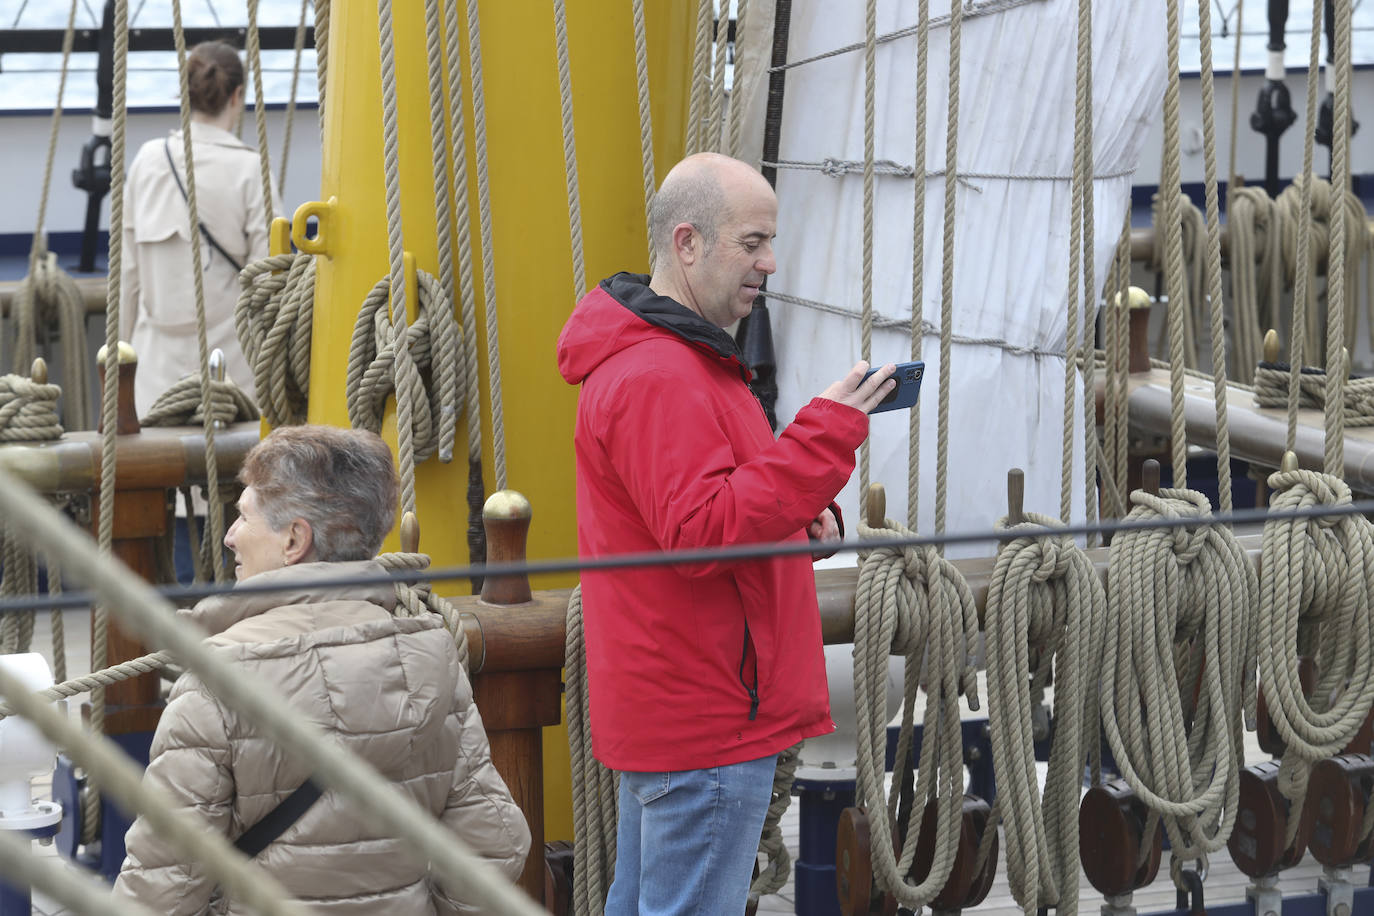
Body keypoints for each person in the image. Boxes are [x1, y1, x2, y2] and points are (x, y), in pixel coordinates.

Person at [555, 152, 896, 914]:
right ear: (687, 244)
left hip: (682, 704)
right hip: (705, 717)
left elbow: (712, 503)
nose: (770, 264)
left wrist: (795, 512)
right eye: (751, 243)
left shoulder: (686, 361)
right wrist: (826, 435)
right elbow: (705, 535)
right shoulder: (661, 374)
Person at [112, 425, 531, 913]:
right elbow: (495, 845)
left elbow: (159, 890)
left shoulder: (214, 682)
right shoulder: (432, 659)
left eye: (244, 517)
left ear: (294, 540)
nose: (229, 536)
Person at [120, 40, 283, 418]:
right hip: (235, 380)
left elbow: (127, 277)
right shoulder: (251, 170)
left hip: (152, 380)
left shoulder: (147, 161)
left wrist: (120, 360)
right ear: (237, 95)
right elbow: (271, 280)